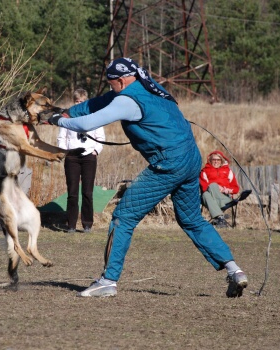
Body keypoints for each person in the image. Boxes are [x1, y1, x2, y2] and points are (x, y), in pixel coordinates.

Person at [48, 57, 248, 298]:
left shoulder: (126, 100)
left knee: (123, 216)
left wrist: (56, 120)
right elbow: (98, 103)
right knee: (192, 219)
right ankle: (234, 270)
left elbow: (89, 123)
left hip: (169, 162)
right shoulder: (148, 85)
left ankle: (108, 280)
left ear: (121, 81)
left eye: (111, 84)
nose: (110, 88)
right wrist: (66, 111)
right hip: (191, 158)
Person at [57, 88, 105, 233]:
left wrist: (96, 151)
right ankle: (71, 224)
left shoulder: (94, 116)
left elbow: (100, 138)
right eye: (77, 101)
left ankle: (87, 224)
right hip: (72, 157)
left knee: (87, 192)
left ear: (86, 102)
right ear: (74, 102)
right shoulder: (67, 117)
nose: (79, 103)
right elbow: (61, 138)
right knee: (72, 192)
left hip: (89, 157)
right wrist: (66, 152)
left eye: (82, 101)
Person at [199, 150, 240, 228]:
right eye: (214, 159)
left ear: (221, 161)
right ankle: (220, 217)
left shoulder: (228, 171)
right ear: (210, 160)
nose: (216, 162)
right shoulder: (204, 171)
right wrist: (216, 188)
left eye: (218, 160)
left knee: (207, 193)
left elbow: (236, 189)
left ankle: (217, 216)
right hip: (209, 198)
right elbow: (204, 188)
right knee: (207, 193)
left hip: (225, 198)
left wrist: (226, 190)